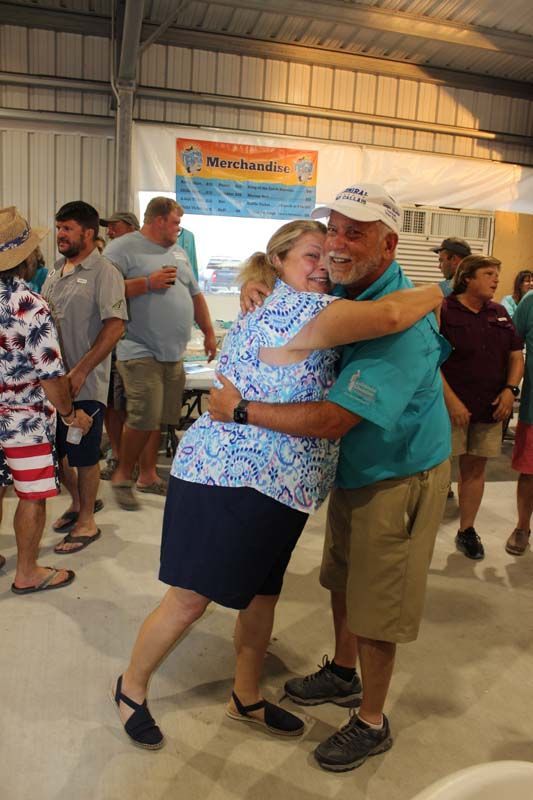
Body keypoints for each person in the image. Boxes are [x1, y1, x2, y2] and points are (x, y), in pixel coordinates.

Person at [110, 216, 445, 751]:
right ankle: (130, 687)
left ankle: (246, 695)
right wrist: (440, 288)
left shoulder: (280, 301)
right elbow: (388, 312)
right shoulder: (306, 310)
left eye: (327, 256)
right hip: (230, 477)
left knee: (263, 596)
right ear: (281, 262)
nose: (323, 266)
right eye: (311, 256)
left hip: (278, 486)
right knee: (191, 599)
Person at [211, 184, 452, 772]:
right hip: (356, 471)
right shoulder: (346, 288)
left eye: (356, 233)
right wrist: (261, 290)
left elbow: (334, 419)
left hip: (398, 474)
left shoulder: (401, 325)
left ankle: (371, 719)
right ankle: (344, 673)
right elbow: (299, 293)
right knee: (342, 580)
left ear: (388, 243)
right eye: (335, 230)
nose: (337, 246)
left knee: (377, 605)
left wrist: (241, 410)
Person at [0, 206, 92, 592]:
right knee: (32, 495)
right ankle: (28, 572)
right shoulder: (28, 303)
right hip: (24, 417)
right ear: (27, 256)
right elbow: (50, 374)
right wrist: (70, 415)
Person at [105, 196, 216, 510]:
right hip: (138, 347)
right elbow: (104, 290)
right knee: (143, 414)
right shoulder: (122, 248)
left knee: (159, 417)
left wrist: (208, 332)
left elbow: (195, 294)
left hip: (173, 351)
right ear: (157, 220)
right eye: (176, 223)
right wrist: (147, 283)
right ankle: (123, 475)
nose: (179, 230)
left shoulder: (178, 251)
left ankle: (148, 476)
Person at [43, 201, 127, 554]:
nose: (60, 234)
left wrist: (81, 370)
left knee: (83, 454)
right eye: (59, 227)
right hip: (53, 386)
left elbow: (115, 327)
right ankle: (79, 504)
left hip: (85, 383)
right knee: (60, 454)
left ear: (88, 233)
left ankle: (87, 523)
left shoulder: (105, 272)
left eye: (67, 228)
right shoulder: (55, 271)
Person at [440, 255, 523, 560]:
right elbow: (429, 362)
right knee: (435, 472)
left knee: (475, 470)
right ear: (467, 278)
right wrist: (452, 401)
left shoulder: (499, 312)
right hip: (449, 410)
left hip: (491, 408)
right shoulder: (444, 311)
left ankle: (467, 530)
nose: (496, 279)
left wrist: (509, 391)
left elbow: (516, 355)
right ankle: (417, 528)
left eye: (497, 274)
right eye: (488, 273)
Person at [506, 290, 533, 555]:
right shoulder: (531, 300)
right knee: (529, 472)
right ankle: (523, 527)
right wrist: (508, 387)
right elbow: (512, 345)